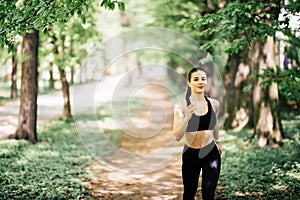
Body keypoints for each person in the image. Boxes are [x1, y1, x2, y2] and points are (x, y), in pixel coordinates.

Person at [173, 67, 222, 200]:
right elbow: (177, 136)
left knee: (208, 194)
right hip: (191, 154)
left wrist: (218, 141)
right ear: (189, 83)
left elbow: (215, 123)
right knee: (189, 193)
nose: (200, 82)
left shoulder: (214, 103)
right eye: (196, 79)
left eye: (203, 79)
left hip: (210, 153)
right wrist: (186, 118)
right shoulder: (181, 106)